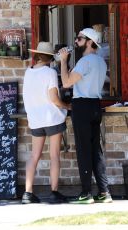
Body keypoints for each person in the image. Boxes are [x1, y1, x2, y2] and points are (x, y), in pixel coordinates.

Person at [59, 28, 112, 204]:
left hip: (82, 106)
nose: (76, 42)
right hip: (95, 106)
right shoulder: (101, 62)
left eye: (79, 39)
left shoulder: (85, 61)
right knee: (96, 150)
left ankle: (86, 194)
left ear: (90, 42)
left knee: (83, 151)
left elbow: (66, 83)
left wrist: (63, 61)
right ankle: (104, 192)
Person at [22, 42, 71, 204]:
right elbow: (54, 99)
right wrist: (67, 106)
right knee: (54, 155)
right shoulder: (49, 72)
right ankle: (54, 192)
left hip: (35, 119)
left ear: (36, 55)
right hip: (51, 118)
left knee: (34, 155)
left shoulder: (28, 73)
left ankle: (27, 193)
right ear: (50, 57)